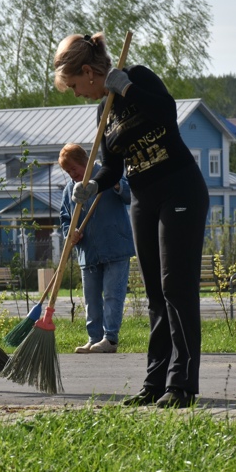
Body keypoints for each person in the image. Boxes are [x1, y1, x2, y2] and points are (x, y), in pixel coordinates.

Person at [53, 33, 209, 408]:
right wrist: (91, 185)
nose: (76, 93)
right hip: (143, 198)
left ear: (89, 72)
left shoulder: (136, 78)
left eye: (75, 85)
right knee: (156, 291)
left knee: (177, 287)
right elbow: (112, 166)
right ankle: (155, 382)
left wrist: (126, 89)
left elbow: (166, 114)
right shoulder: (101, 111)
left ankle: (182, 383)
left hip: (180, 190)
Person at [58, 143, 135, 354]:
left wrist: (116, 185)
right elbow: (65, 219)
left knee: (113, 294)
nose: (72, 174)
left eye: (74, 169)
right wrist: (70, 233)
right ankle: (94, 338)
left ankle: (110, 339)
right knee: (91, 299)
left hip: (115, 247)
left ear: (86, 162)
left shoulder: (108, 177)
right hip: (88, 252)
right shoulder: (69, 191)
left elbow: (130, 196)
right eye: (68, 171)